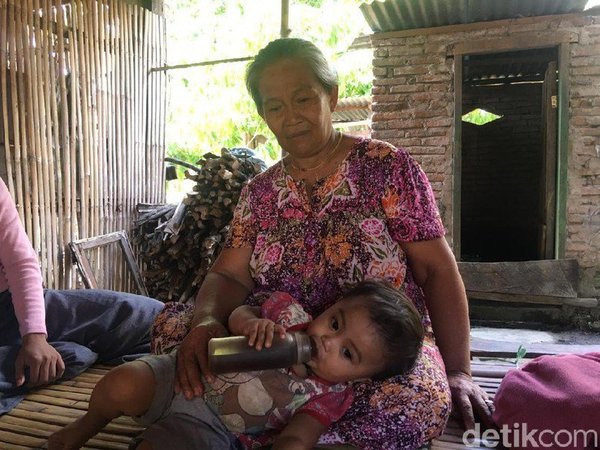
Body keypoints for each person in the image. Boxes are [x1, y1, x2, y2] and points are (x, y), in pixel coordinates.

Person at [151, 37, 494, 448]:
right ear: (263, 114)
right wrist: (206, 322)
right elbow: (228, 273)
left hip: (361, 358)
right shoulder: (259, 192)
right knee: (177, 328)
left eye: (303, 98)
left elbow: (436, 270)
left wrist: (459, 370)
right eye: (274, 106)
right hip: (273, 342)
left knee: (417, 401)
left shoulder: (387, 169)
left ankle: (249, 422)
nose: (290, 117)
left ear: (331, 96)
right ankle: (264, 419)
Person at [48, 281, 424, 450]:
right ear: (332, 306)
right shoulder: (288, 316)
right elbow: (239, 311)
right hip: (178, 373)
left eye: (347, 353)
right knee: (120, 383)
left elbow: (299, 436)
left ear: (364, 377)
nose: (327, 340)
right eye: (336, 323)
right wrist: (250, 324)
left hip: (209, 428)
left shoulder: (329, 396)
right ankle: (88, 423)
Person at [0, 177, 164, 414]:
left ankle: (52, 356)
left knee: (151, 317)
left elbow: (20, 262)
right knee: (73, 355)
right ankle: (56, 358)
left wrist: (34, 336)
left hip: (12, 306)